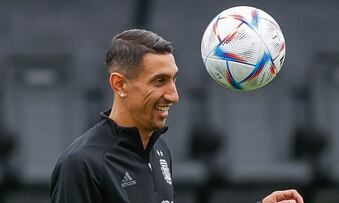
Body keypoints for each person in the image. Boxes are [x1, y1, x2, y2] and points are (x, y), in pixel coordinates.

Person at [50, 29, 304, 203]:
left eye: (173, 79)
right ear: (119, 84)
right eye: (159, 81)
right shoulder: (81, 165)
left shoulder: (159, 149)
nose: (173, 95)